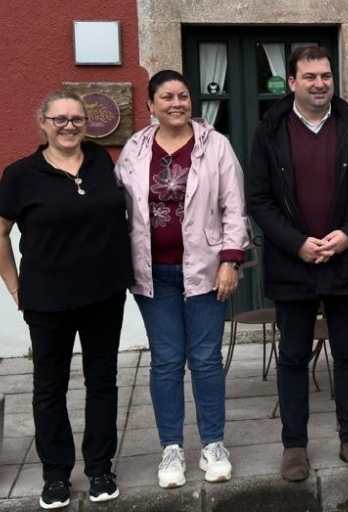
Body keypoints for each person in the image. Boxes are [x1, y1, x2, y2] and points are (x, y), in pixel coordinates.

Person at [247, 46, 348, 480]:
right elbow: (259, 199)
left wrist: (347, 236)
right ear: (291, 82)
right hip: (294, 264)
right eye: (309, 76)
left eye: (325, 75)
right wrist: (296, 243)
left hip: (347, 260)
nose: (319, 83)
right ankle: (295, 446)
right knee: (292, 357)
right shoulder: (269, 130)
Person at [116, 70, 248, 488]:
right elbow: (119, 210)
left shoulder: (216, 146)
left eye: (184, 96)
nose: (177, 103)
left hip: (207, 271)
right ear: (151, 105)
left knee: (206, 360)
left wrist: (230, 260)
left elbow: (234, 208)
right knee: (166, 361)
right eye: (167, 97)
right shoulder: (135, 149)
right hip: (153, 274)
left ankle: (213, 444)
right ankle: (171, 448)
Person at [0, 91, 133, 509]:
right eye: (60, 119)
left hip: (103, 294)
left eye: (76, 118)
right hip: (47, 298)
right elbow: (0, 233)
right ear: (43, 123)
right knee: (49, 387)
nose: (70, 125)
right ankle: (55, 475)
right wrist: (13, 283)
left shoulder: (100, 163)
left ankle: (99, 468)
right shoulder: (21, 174)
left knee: (102, 382)